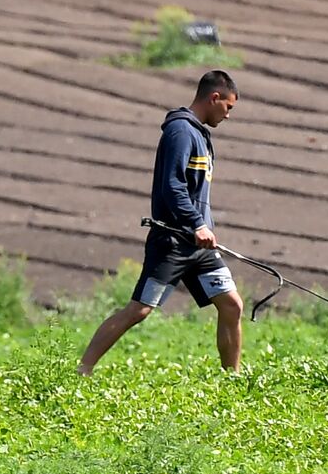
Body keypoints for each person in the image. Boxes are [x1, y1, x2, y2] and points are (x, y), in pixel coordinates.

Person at [77, 70, 243, 376]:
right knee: (139, 310)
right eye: (229, 107)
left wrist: (203, 227)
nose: (228, 115)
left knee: (232, 304)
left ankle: (232, 380)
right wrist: (197, 224)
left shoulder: (200, 135)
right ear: (214, 97)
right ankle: (83, 369)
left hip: (199, 244)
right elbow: (172, 186)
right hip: (173, 242)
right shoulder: (180, 132)